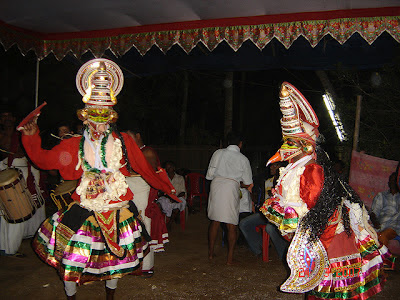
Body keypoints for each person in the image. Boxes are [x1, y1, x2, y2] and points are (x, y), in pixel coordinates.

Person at [19, 59, 178, 300]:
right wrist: (32, 138)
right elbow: (44, 161)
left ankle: (110, 297)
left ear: (111, 117)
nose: (99, 122)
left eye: (104, 116)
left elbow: (145, 169)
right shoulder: (74, 144)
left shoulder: (123, 141)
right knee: (72, 257)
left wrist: (167, 187)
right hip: (85, 208)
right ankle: (71, 295)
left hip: (117, 208)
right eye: (94, 115)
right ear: (85, 116)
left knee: (115, 258)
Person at [260, 82, 391, 299]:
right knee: (319, 286)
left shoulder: (311, 169)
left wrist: (291, 222)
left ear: (307, 146)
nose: (286, 149)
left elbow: (307, 205)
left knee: (328, 287)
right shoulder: (299, 167)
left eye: (292, 143)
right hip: (320, 233)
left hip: (327, 236)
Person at [0, 110, 45, 257]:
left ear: (14, 118)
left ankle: (13, 245)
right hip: (5, 170)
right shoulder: (3, 135)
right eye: (3, 117)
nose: (6, 119)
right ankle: (5, 246)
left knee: (19, 210)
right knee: (5, 212)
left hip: (21, 172)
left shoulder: (20, 134)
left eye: (8, 116)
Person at [125, 128, 168, 278]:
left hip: (142, 193)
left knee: (144, 227)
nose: (128, 143)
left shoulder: (147, 152)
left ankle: (146, 266)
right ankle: (132, 264)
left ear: (138, 136)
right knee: (131, 228)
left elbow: (149, 173)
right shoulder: (129, 153)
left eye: (130, 139)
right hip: (130, 193)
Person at [206, 131, 253, 265]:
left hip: (216, 186)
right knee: (231, 224)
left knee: (215, 220)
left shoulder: (218, 153)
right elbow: (248, 182)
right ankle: (230, 259)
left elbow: (209, 176)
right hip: (231, 188)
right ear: (240, 144)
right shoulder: (243, 159)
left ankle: (210, 254)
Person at [239, 162, 289, 260]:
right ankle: (259, 249)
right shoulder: (268, 182)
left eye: (274, 165)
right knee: (244, 223)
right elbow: (264, 201)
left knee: (270, 228)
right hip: (268, 214)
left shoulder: (287, 183)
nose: (271, 167)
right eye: (271, 165)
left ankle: (284, 256)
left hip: (282, 216)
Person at [371, 172, 400, 246]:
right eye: (391, 180)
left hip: (395, 227)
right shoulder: (381, 195)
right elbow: (373, 213)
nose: (393, 182)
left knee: (382, 237)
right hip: (381, 225)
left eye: (395, 180)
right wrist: (375, 221)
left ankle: (382, 257)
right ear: (388, 183)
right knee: (366, 237)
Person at [157, 161, 187, 228]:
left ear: (174, 168)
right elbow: (161, 191)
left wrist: (174, 198)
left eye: (170, 167)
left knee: (179, 203)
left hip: (178, 197)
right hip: (167, 197)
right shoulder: (163, 178)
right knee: (159, 203)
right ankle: (160, 223)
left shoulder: (180, 178)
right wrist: (169, 197)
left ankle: (170, 222)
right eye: (167, 168)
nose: (168, 169)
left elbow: (182, 192)